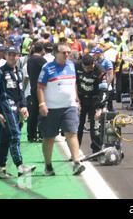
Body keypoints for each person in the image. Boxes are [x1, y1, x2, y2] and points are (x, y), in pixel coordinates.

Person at [37, 42, 85, 176]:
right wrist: (42, 104)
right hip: (51, 108)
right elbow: (40, 87)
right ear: (55, 53)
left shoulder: (71, 65)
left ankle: (76, 162)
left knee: (72, 133)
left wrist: (76, 99)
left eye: (68, 52)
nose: (67, 55)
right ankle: (48, 165)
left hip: (69, 106)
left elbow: (73, 83)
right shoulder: (47, 68)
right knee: (49, 137)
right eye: (64, 52)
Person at [0, 46, 36, 179]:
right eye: (10, 54)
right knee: (15, 135)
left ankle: (1, 169)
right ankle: (20, 166)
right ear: (6, 56)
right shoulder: (0, 72)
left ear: (19, 56)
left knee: (5, 138)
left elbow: (21, 92)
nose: (13, 57)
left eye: (15, 55)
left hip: (16, 108)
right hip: (5, 108)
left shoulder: (19, 72)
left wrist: (24, 106)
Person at [75, 54, 103, 152]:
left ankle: (96, 151)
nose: (89, 70)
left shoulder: (99, 70)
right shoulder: (76, 66)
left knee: (95, 127)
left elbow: (103, 90)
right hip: (81, 99)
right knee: (78, 126)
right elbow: (74, 82)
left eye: (90, 67)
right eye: (86, 68)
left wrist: (100, 108)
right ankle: (75, 151)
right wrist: (76, 99)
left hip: (94, 100)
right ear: (82, 65)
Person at [26, 42, 47, 142]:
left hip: (33, 88)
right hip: (41, 89)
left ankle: (31, 135)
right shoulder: (41, 60)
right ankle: (42, 134)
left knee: (33, 113)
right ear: (42, 50)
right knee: (42, 113)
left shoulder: (30, 59)